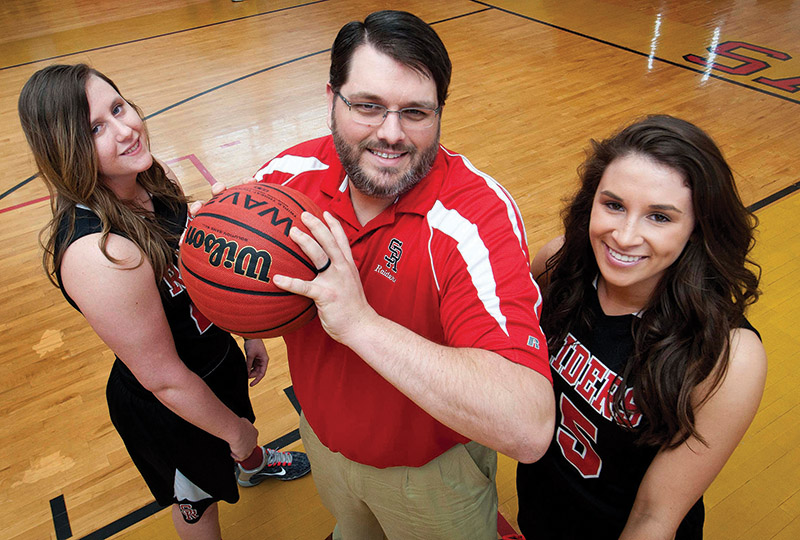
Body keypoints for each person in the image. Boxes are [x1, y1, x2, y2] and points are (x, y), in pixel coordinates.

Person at [247, 10, 555, 540]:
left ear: (440, 112)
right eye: (367, 106)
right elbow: (240, 270)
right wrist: (240, 307)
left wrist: (359, 323)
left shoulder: (474, 218)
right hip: (322, 442)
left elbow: (527, 426)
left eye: (415, 112)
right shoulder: (284, 179)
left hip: (431, 476)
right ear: (331, 99)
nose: (391, 134)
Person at [17, 64, 309, 540]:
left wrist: (247, 329)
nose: (125, 130)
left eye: (118, 108)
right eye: (95, 129)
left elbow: (204, 271)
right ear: (65, 149)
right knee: (198, 504)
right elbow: (163, 378)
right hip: (172, 405)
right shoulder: (100, 253)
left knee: (242, 436)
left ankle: (252, 464)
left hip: (214, 362)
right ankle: (243, 455)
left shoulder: (150, 176)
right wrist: (233, 432)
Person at [515, 115, 767, 540]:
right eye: (613, 205)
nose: (625, 236)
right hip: (538, 520)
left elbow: (654, 516)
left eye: (660, 217)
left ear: (697, 229)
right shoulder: (556, 267)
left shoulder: (727, 356)